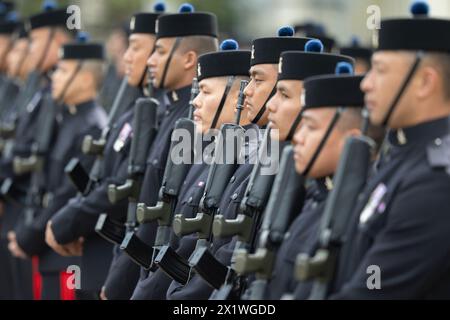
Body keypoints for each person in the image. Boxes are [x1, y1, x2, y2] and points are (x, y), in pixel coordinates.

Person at [331, 1, 450, 299]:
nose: (365, 85)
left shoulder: (435, 181)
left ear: (425, 82)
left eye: (380, 71)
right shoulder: (402, 153)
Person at [101, 3, 220, 300]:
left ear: (189, 59)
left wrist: (123, 287)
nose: (151, 60)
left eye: (161, 51)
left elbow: (167, 224)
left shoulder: (192, 127)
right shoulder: (170, 114)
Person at [47, 6, 166, 300]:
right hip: (100, 251)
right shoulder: (136, 107)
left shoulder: (159, 113)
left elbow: (127, 185)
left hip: (121, 264)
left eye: (135, 48)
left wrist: (66, 222)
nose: (126, 56)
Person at [11, 32, 107, 300]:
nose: (54, 77)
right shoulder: (66, 119)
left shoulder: (93, 126)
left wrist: (30, 236)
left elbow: (69, 194)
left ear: (85, 78)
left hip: (65, 253)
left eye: (63, 71)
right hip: (48, 250)